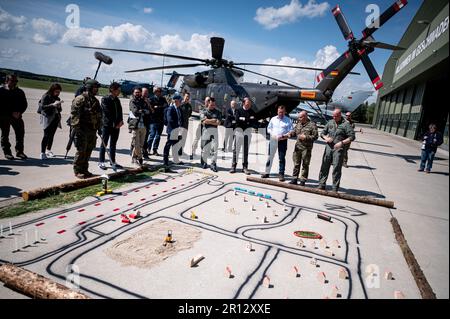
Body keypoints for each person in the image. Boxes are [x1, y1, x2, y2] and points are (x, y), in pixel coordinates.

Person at [70, 79, 102, 179]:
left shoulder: (95, 101)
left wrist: (99, 127)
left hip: (92, 129)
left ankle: (84, 169)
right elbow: (74, 115)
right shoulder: (80, 99)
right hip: (82, 129)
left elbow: (99, 115)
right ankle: (77, 170)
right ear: (89, 88)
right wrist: (77, 128)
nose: (96, 90)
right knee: (81, 151)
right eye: (95, 88)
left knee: (88, 150)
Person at [318, 109, 355, 192]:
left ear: (340, 115)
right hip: (328, 147)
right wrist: (326, 138)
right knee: (324, 166)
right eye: (333, 116)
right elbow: (322, 133)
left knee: (336, 168)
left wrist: (342, 143)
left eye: (336, 116)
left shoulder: (346, 124)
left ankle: (335, 187)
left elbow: (352, 137)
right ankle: (321, 184)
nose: (334, 117)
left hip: (338, 149)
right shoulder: (330, 122)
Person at [261, 105, 294, 182]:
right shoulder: (273, 119)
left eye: (282, 112)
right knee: (270, 157)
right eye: (279, 112)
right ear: (277, 112)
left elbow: (291, 131)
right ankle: (267, 172)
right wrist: (273, 135)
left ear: (285, 112)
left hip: (283, 141)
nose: (281, 113)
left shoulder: (288, 120)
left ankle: (281, 174)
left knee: (281, 158)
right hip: (273, 140)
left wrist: (284, 136)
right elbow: (269, 128)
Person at [0, 74, 28, 160]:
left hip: (17, 117)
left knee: (20, 134)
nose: (14, 83)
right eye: (12, 81)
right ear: (6, 81)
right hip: (4, 117)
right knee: (5, 135)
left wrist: (19, 112)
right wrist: (11, 113)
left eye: (16, 81)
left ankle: (19, 152)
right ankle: (7, 152)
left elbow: (24, 104)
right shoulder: (1, 91)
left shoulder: (19, 92)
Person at [98, 82, 124, 170]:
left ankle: (113, 161)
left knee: (113, 144)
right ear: (112, 90)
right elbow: (107, 113)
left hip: (116, 126)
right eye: (118, 90)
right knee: (104, 143)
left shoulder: (117, 100)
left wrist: (121, 121)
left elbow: (120, 111)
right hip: (107, 125)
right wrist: (114, 123)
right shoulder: (105, 99)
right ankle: (101, 161)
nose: (119, 92)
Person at [289, 111, 318, 186]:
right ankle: (294, 178)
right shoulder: (298, 124)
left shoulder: (312, 125)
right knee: (296, 163)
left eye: (300, 117)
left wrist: (306, 137)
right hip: (297, 147)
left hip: (306, 148)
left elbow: (315, 137)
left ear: (305, 117)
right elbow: (295, 132)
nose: (299, 118)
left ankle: (303, 180)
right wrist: (290, 133)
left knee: (305, 165)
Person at [230, 97, 258, 175]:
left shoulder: (252, 112)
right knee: (236, 150)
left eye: (250, 104)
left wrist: (244, 119)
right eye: (247, 104)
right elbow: (237, 121)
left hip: (247, 133)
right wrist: (247, 120)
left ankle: (245, 167)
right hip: (239, 132)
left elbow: (254, 121)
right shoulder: (238, 110)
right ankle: (233, 166)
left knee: (245, 151)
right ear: (243, 103)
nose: (249, 105)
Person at [38, 83, 63, 160]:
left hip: (55, 118)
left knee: (52, 135)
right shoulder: (46, 96)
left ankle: (49, 150)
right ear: (52, 90)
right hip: (47, 118)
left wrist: (58, 106)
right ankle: (42, 152)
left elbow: (60, 110)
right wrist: (52, 105)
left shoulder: (57, 98)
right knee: (46, 135)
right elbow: (42, 107)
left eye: (59, 92)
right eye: (56, 91)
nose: (58, 93)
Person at [200, 97, 222, 172]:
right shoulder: (204, 111)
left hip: (214, 132)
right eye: (211, 105)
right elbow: (204, 121)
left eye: (214, 105)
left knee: (214, 149)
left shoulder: (218, 112)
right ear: (208, 104)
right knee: (205, 148)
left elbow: (218, 123)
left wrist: (208, 120)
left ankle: (213, 164)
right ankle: (204, 162)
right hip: (206, 131)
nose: (213, 106)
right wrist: (213, 120)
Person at [163, 94, 184, 173]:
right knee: (168, 145)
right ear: (176, 101)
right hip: (172, 130)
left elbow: (181, 119)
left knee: (175, 146)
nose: (181, 101)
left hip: (177, 130)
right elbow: (170, 120)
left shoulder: (179, 109)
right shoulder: (171, 109)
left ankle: (176, 160)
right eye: (180, 100)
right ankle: (165, 161)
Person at [128, 87, 148, 167]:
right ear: (133, 93)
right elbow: (135, 111)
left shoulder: (143, 101)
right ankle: (139, 158)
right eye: (136, 92)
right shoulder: (132, 101)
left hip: (143, 125)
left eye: (139, 92)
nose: (137, 94)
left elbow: (148, 111)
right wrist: (142, 111)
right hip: (135, 125)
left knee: (141, 144)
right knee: (136, 143)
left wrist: (142, 110)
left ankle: (134, 158)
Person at [148, 86, 167, 156]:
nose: (160, 92)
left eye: (160, 91)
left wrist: (158, 107)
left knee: (158, 136)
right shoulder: (151, 99)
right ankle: (148, 148)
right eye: (159, 91)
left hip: (161, 120)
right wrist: (158, 107)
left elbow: (166, 106)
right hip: (153, 120)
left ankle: (155, 149)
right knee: (152, 135)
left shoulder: (163, 99)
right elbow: (151, 108)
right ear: (155, 92)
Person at [178, 92, 192, 157]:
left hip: (186, 124)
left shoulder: (189, 106)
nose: (187, 98)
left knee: (184, 138)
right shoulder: (180, 104)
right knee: (179, 138)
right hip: (180, 124)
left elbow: (189, 114)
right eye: (186, 96)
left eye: (188, 97)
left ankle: (181, 150)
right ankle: (178, 150)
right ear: (184, 97)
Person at [141, 87, 152, 160]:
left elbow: (152, 111)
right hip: (140, 123)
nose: (146, 94)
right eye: (144, 92)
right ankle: (134, 152)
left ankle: (145, 153)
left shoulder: (148, 101)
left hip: (147, 122)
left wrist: (148, 104)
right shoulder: (138, 100)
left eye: (147, 93)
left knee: (145, 139)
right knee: (138, 139)